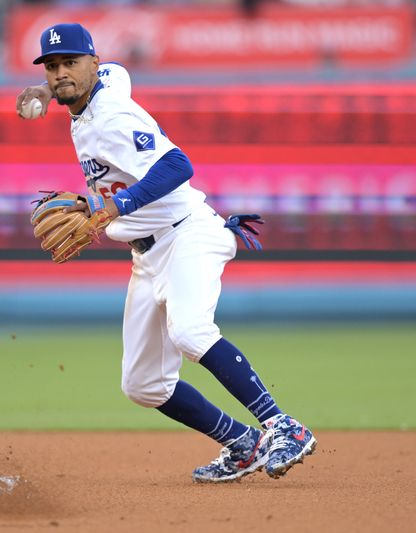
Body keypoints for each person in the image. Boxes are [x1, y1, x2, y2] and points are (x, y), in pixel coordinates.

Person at [17, 23, 316, 483]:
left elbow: (178, 165)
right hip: (148, 255)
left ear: (91, 63)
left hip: (187, 234)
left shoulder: (111, 115)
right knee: (143, 385)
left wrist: (113, 205)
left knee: (192, 331)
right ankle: (246, 443)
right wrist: (49, 86)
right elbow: (116, 70)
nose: (61, 74)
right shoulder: (102, 86)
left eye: (70, 63)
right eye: (53, 66)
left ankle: (283, 426)